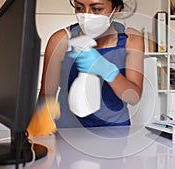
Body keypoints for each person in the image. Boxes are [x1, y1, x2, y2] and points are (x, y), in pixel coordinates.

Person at [38, 0, 144, 128]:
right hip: (68, 131)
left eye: (97, 9)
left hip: (114, 131)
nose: (86, 15)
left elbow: (134, 98)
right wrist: (40, 131)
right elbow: (47, 95)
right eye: (79, 7)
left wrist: (107, 70)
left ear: (116, 10)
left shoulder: (131, 40)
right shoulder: (61, 40)